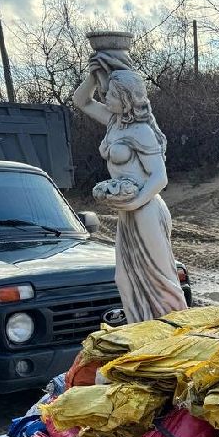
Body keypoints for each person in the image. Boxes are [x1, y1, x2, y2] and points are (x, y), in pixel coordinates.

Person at [73, 57, 188, 324]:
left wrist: (133, 202)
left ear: (125, 98)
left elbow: (160, 178)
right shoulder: (114, 122)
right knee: (125, 278)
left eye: (112, 94)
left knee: (162, 279)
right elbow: (82, 101)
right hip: (129, 212)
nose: (106, 96)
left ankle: (177, 334)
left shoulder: (142, 131)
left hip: (146, 209)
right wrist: (94, 73)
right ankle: (143, 331)